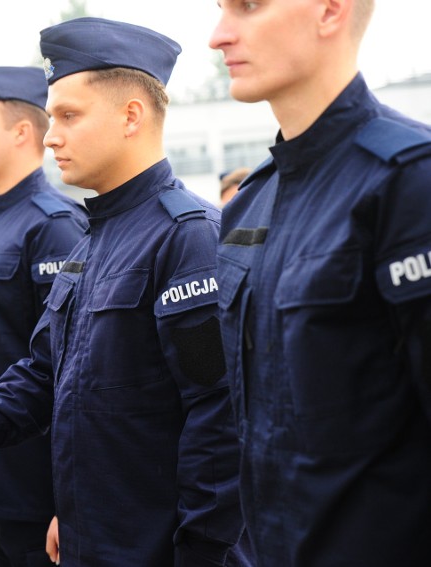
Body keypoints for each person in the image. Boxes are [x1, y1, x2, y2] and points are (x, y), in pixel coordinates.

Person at [0, 19, 248, 566]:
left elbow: (218, 414)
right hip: (89, 535)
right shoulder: (96, 234)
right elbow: (47, 372)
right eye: (52, 118)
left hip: (155, 546)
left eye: (69, 116)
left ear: (131, 116)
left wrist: (200, 549)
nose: (51, 137)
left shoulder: (186, 236)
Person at [210, 1, 431, 564]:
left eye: (248, 6)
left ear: (331, 11)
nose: (218, 36)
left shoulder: (409, 180)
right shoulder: (249, 205)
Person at [0, 65, 89, 566]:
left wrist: (63, 500)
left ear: (22, 132)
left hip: (29, 491)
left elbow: (65, 368)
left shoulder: (54, 226)